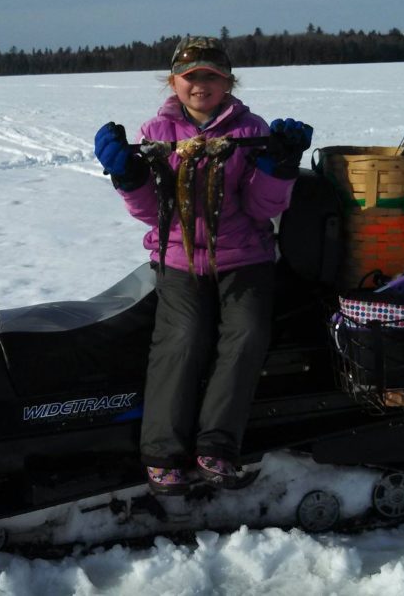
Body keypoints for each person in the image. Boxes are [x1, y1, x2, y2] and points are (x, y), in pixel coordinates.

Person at [93, 36, 312, 494]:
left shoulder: (251, 131)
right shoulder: (157, 134)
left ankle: (217, 444)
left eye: (211, 77)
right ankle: (162, 451)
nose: (201, 86)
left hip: (245, 257)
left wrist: (278, 167)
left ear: (228, 81)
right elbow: (152, 212)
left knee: (248, 333)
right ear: (173, 82)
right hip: (179, 258)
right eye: (192, 77)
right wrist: (129, 178)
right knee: (183, 337)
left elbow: (259, 208)